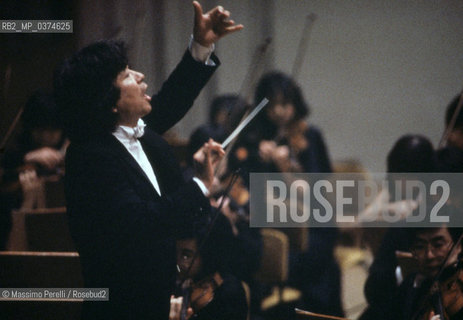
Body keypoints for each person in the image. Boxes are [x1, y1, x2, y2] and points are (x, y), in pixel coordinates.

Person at [53, 2, 242, 319]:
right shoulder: (89, 158)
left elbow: (171, 100)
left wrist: (202, 45)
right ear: (109, 101)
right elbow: (142, 225)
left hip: (162, 296)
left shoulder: (140, 134)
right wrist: (199, 185)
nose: (141, 76)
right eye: (126, 74)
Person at [170, 213, 248, 320]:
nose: (177, 262)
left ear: (207, 255)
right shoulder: (176, 281)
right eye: (175, 252)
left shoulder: (228, 295)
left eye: (186, 255)